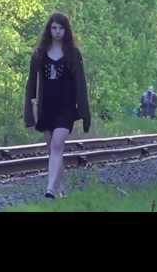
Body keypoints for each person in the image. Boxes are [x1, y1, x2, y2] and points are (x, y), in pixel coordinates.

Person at [23, 12, 91, 199]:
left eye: (61, 28)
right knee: (53, 149)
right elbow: (31, 85)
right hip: (46, 108)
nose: (57, 32)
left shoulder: (72, 54)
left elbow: (80, 84)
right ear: (49, 29)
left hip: (66, 108)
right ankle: (60, 189)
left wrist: (85, 113)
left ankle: (50, 189)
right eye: (54, 28)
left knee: (57, 144)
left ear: (66, 30)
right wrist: (29, 114)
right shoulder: (39, 54)